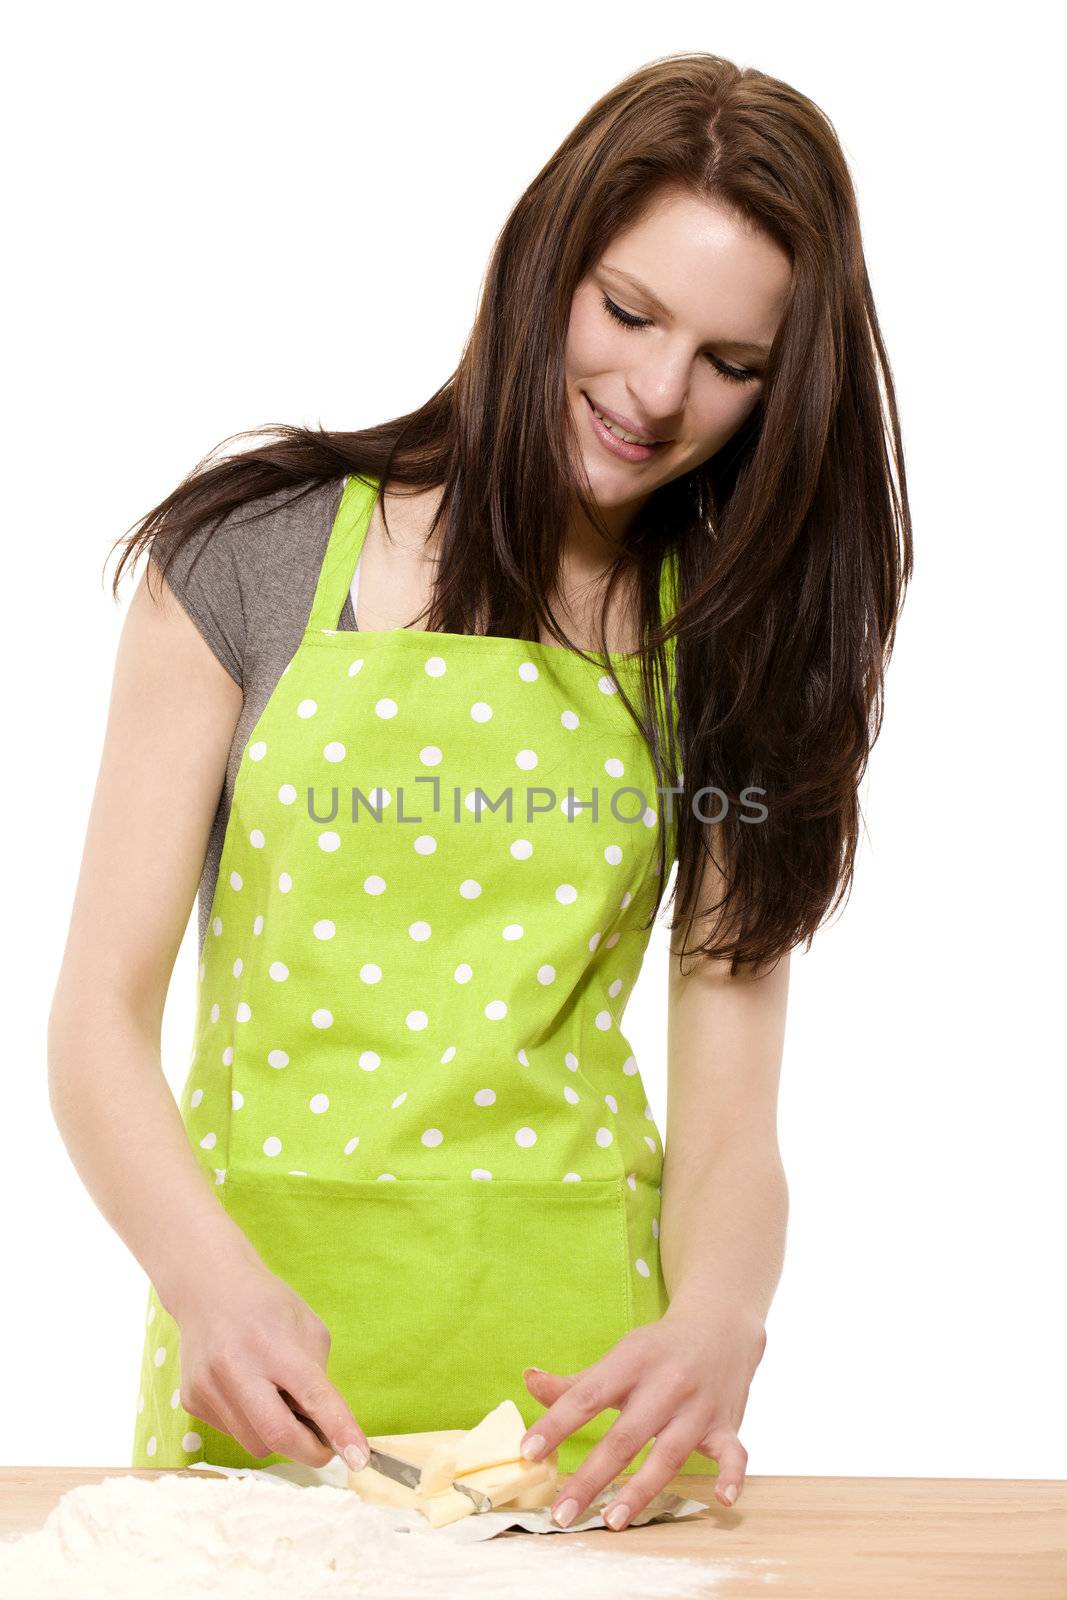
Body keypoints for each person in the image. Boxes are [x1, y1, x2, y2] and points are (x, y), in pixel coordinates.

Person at [47, 50, 912, 1533]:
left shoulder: (729, 648)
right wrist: (209, 1285)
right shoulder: (249, 560)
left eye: (731, 363)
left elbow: (727, 1130)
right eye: (630, 312)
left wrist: (717, 1327)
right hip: (258, 1375)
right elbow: (96, 1020)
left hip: (578, 1424)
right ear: (545, 266)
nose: (656, 392)